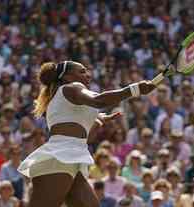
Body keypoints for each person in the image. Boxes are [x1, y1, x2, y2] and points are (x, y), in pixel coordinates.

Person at [17, 61, 155, 207]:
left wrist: (99, 120)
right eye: (82, 71)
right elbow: (99, 100)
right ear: (68, 77)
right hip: (59, 158)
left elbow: (84, 134)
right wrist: (135, 89)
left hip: (72, 159)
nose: (88, 75)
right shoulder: (72, 87)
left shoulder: (63, 98)